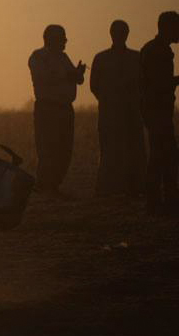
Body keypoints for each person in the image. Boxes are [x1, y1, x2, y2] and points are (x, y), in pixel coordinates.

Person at [28, 25, 86, 196]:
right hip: (48, 108)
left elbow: (76, 79)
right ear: (50, 39)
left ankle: (53, 185)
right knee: (48, 147)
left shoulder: (63, 57)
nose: (65, 41)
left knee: (64, 148)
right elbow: (44, 77)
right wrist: (69, 75)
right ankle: (45, 185)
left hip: (65, 108)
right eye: (62, 37)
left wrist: (77, 73)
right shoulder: (38, 57)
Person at [90, 20, 146, 197]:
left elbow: (143, 84)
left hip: (130, 113)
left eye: (123, 32)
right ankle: (109, 188)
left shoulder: (136, 58)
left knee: (133, 149)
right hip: (110, 113)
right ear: (112, 34)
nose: (120, 35)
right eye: (118, 32)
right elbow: (95, 86)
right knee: (110, 151)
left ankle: (133, 186)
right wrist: (110, 101)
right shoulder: (102, 58)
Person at [140, 11, 179, 214]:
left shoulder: (153, 49)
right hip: (157, 112)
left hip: (155, 110)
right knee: (163, 156)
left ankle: (159, 201)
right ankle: (161, 201)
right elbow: (158, 84)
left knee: (163, 155)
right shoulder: (158, 52)